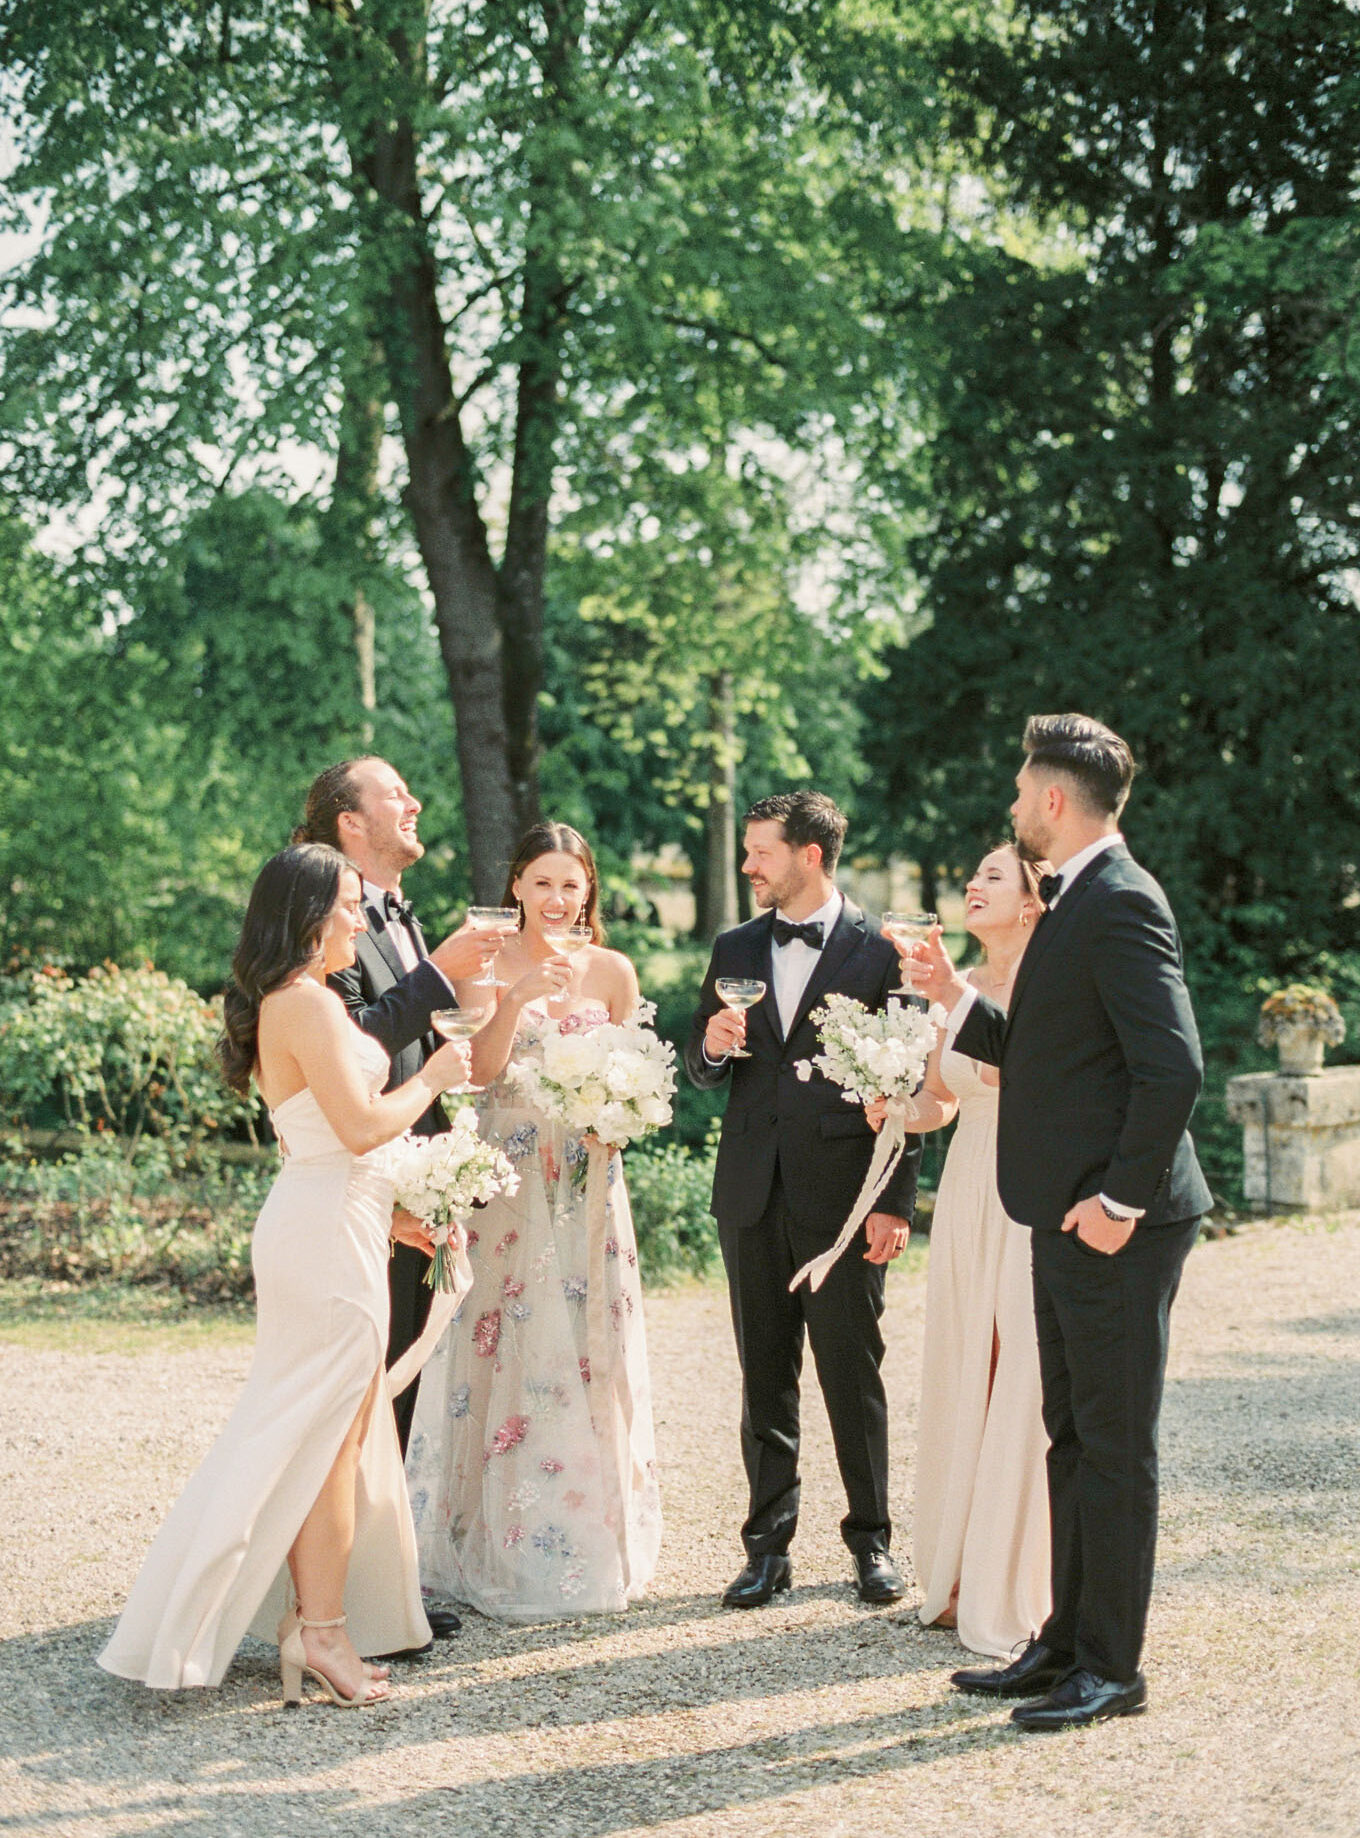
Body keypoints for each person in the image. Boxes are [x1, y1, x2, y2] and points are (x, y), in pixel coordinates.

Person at [98, 844, 473, 1705]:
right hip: (322, 1239)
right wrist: (440, 1078)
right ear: (305, 917)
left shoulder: (309, 1001)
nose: (358, 918)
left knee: (323, 1441)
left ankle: (316, 1627)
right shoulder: (301, 1002)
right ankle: (322, 1634)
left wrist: (401, 1217)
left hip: (336, 1222)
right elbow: (359, 1125)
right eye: (346, 905)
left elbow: (331, 1142)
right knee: (324, 1445)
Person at [909, 714, 1212, 1730]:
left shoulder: (1122, 901)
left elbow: (1172, 1065)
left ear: (1051, 799)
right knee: (1070, 1434)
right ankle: (1062, 1640)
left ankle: (1112, 1668)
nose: (1008, 807)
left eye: (1016, 790)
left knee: (1114, 1445)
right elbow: (1043, 1048)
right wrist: (954, 997)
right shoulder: (1070, 898)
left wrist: (1121, 1200)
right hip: (1058, 1212)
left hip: (1114, 1221)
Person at [404, 822, 663, 1619]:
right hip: (509, 1180)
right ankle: (485, 1537)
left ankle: (590, 1535)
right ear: (515, 885)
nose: (557, 899)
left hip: (586, 1181)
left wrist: (617, 1116)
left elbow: (636, 1066)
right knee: (500, 1347)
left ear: (589, 892)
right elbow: (476, 1072)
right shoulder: (486, 963)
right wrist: (516, 996)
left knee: (591, 1348)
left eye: (572, 884)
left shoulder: (613, 970)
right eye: (542, 882)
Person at [685, 792, 920, 1610]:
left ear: (809, 855)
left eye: (760, 852)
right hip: (750, 1193)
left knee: (853, 1376)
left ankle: (873, 1545)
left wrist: (897, 1201)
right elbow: (701, 1060)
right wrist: (711, 1049)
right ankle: (766, 1551)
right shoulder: (735, 944)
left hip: (848, 1198)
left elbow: (907, 1075)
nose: (748, 866)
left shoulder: (884, 950)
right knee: (764, 1378)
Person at [294, 757, 506, 1465]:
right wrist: (439, 971)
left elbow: (427, 1042)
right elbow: (348, 1042)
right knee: (360, 1389)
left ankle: (382, 1561)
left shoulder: (402, 914)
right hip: (361, 1183)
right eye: (395, 794)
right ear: (351, 822)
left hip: (417, 1176)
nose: (415, 801)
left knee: (405, 1383)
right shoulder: (322, 921)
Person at [872, 844, 1051, 1657]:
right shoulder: (962, 988)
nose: (974, 885)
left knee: (1019, 1367)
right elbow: (945, 1100)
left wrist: (947, 993)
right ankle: (954, 1572)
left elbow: (1039, 1078)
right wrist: (890, 1103)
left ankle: (1012, 1580)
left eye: (994, 878)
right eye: (973, 874)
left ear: (1032, 904)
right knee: (964, 1365)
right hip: (970, 1185)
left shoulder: (1054, 979)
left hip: (1028, 1184)